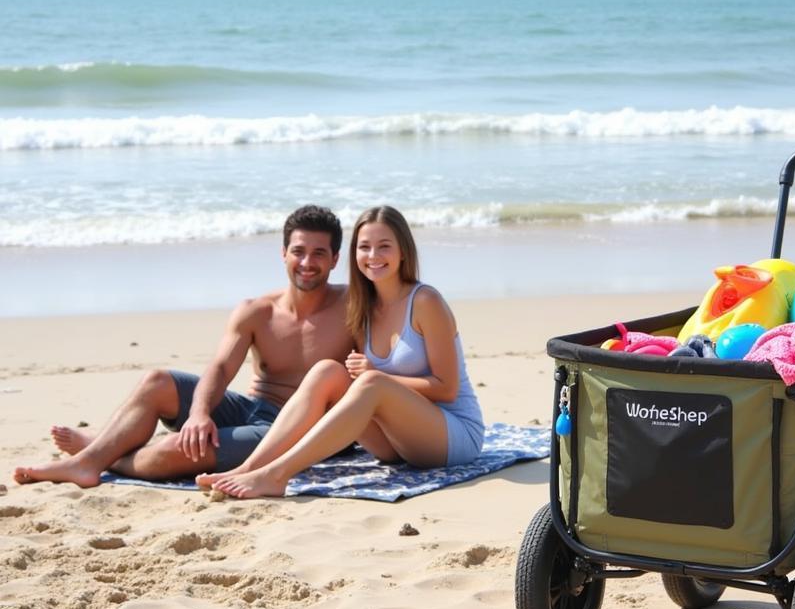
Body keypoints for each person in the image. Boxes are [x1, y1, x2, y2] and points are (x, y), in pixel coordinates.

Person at [13, 205, 352, 488]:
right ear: (283, 253)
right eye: (298, 251)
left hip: (298, 427)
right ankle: (92, 459)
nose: (307, 262)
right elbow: (220, 368)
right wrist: (200, 413)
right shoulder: (257, 311)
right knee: (158, 381)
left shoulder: (353, 307)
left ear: (335, 259)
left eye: (318, 253)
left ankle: (104, 453)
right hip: (253, 409)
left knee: (175, 450)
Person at [196, 205, 484, 499]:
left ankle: (277, 475)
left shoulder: (425, 301)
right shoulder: (363, 309)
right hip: (397, 444)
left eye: (384, 246)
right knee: (327, 371)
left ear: (403, 252)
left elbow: (446, 389)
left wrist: (376, 374)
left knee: (371, 383)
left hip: (451, 435)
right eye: (364, 247)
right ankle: (248, 468)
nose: (373, 256)